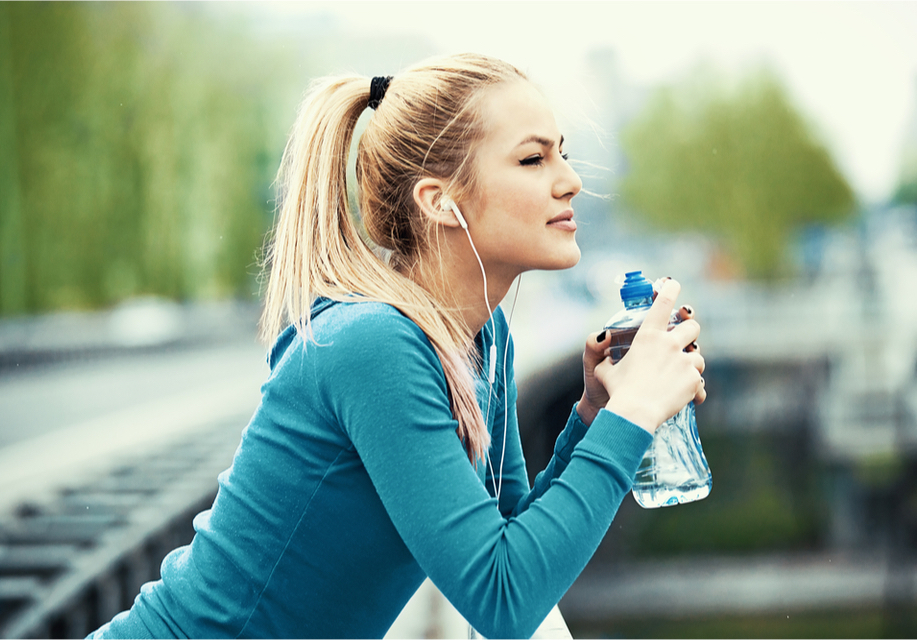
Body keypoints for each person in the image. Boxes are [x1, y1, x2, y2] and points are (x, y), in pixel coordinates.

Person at [89, 52, 705, 639]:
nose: (570, 181)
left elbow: (514, 543)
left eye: (563, 154)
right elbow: (504, 599)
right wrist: (635, 412)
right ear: (439, 200)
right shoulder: (376, 344)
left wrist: (594, 420)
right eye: (532, 160)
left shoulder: (483, 341)